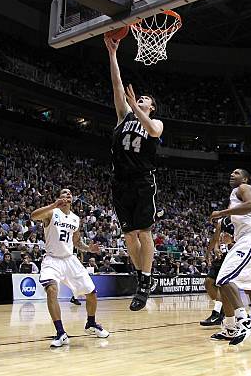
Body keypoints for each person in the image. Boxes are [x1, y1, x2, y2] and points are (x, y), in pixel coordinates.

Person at [105, 32, 163, 312]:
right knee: (129, 236)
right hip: (120, 182)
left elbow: (152, 130)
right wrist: (112, 53)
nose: (139, 100)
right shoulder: (122, 116)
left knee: (144, 233)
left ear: (151, 108)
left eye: (145, 100)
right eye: (138, 98)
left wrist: (138, 110)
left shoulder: (156, 123)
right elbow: (116, 84)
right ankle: (141, 277)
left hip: (142, 182)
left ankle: (146, 280)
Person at [31, 188, 109, 348]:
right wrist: (53, 205)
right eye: (64, 193)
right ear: (59, 198)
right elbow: (33, 215)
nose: (67, 195)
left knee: (91, 293)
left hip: (69, 259)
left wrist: (89, 249)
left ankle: (91, 324)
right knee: (52, 290)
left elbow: (77, 242)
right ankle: (61, 333)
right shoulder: (52, 213)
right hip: (52, 259)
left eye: (69, 194)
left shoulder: (75, 219)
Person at [209, 169, 251, 345]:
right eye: (231, 172)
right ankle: (230, 327)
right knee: (221, 281)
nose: (232, 174)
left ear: (245, 178)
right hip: (242, 240)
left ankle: (244, 320)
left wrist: (221, 213)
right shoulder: (236, 193)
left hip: (250, 239)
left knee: (225, 278)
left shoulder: (244, 187)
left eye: (237, 172)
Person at [200, 216, 234, 327]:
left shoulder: (235, 221)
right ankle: (222, 309)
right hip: (221, 257)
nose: (214, 223)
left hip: (232, 256)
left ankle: (217, 313)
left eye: (215, 221)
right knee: (208, 282)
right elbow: (215, 239)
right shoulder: (220, 226)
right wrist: (212, 250)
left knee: (222, 284)